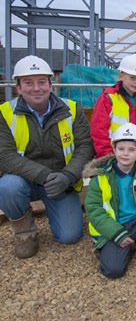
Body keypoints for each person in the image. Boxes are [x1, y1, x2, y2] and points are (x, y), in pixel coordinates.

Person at [0, 55, 94, 259]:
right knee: (7, 186)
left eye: (42, 82)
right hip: (25, 180)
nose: (36, 88)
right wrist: (44, 175)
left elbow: (85, 147)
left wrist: (68, 176)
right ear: (18, 88)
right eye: (28, 83)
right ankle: (25, 232)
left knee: (69, 236)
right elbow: (5, 155)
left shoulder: (72, 109)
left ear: (51, 85)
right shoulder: (5, 113)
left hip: (61, 181)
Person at [84, 123, 136, 279]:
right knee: (113, 271)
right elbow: (93, 209)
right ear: (114, 149)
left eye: (131, 149)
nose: (125, 154)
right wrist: (117, 233)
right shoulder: (100, 177)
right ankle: (113, 246)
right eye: (121, 149)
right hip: (113, 224)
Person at [91, 53, 136, 158]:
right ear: (121, 76)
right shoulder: (108, 98)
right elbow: (98, 129)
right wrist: (106, 154)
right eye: (132, 78)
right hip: (111, 154)